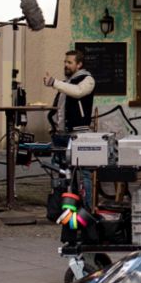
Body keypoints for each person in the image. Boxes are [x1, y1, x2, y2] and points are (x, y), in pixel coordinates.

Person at [44, 49, 95, 205]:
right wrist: (53, 123)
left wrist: (54, 83)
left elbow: (78, 92)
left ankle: (86, 209)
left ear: (79, 64)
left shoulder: (87, 79)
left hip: (78, 134)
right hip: (61, 135)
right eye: (65, 62)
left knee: (83, 173)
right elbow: (60, 107)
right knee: (61, 173)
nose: (66, 65)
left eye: (69, 62)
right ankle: (64, 207)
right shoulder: (65, 83)